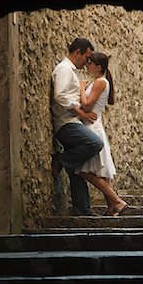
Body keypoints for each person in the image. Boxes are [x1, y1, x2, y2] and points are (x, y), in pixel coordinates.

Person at [51, 37, 104, 216]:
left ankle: (82, 209)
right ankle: (61, 160)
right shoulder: (64, 69)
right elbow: (60, 96)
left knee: (77, 168)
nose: (88, 61)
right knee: (95, 143)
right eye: (87, 57)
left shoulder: (71, 71)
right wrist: (81, 113)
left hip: (73, 122)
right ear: (77, 52)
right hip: (66, 124)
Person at [75, 52, 128, 216]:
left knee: (84, 170)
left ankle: (118, 201)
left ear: (98, 67)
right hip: (93, 126)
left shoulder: (100, 82)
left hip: (92, 128)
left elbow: (86, 105)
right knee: (100, 172)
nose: (87, 65)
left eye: (90, 63)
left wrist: (82, 88)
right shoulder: (99, 81)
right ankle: (112, 206)